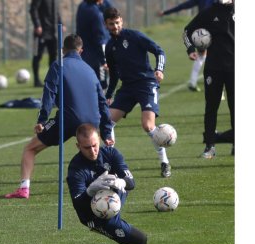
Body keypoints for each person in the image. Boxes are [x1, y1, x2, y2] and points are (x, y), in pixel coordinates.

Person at [5, 34, 114, 199]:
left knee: (30, 149)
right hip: (92, 120)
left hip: (68, 118)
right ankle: (107, 181)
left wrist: (42, 120)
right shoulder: (90, 70)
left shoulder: (58, 65)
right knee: (93, 151)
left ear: (63, 50)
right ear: (81, 50)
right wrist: (105, 132)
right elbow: (102, 102)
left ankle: (24, 188)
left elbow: (49, 93)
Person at [103, 7, 172, 178]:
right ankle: (111, 164)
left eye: (117, 23)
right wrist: (109, 95)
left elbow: (159, 51)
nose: (115, 26)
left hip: (146, 84)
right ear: (106, 24)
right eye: (111, 24)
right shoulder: (110, 46)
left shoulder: (134, 36)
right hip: (127, 88)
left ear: (122, 21)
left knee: (148, 126)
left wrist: (159, 70)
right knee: (107, 122)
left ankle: (164, 162)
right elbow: (114, 74)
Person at [66, 123, 147, 244]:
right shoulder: (75, 169)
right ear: (78, 146)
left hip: (115, 192)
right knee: (140, 240)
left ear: (99, 140)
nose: (92, 151)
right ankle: (101, 226)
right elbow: (78, 204)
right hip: (91, 214)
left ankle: (111, 214)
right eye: (87, 147)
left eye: (94, 145)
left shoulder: (111, 153)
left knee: (142, 241)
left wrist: (123, 182)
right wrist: (90, 191)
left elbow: (131, 183)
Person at [183, 0, 234, 158]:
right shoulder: (208, 12)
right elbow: (187, 31)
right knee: (211, 108)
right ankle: (209, 147)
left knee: (236, 108)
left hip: (235, 68)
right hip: (214, 68)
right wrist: (191, 49)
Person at [157, 0, 215, 92]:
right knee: (215, 57)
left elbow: (183, 6)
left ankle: (193, 82)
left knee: (202, 57)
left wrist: (165, 12)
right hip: (216, 28)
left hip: (201, 31)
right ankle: (216, 85)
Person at [76, 0, 109, 89]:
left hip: (84, 52)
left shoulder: (82, 6)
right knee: (102, 84)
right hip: (96, 55)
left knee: (87, 83)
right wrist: (104, 60)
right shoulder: (96, 14)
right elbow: (100, 38)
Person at [29, 0, 63, 87]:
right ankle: (36, 80)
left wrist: (61, 23)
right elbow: (33, 9)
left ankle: (52, 79)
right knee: (37, 55)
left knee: (53, 56)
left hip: (53, 33)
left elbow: (57, 12)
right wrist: (37, 25)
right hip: (40, 33)